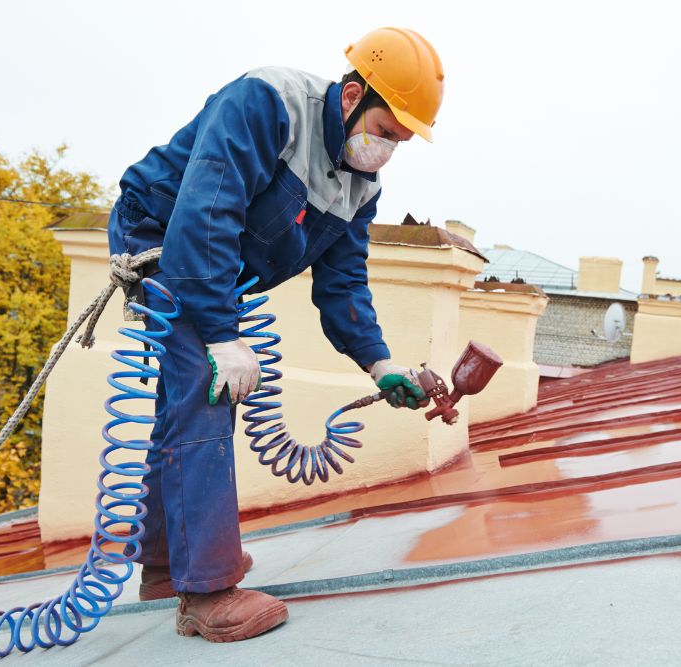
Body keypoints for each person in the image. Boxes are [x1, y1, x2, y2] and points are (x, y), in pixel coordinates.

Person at [105, 27, 443, 643]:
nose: (387, 149)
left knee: (189, 390)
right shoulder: (267, 103)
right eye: (385, 131)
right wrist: (221, 335)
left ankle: (163, 566)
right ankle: (206, 593)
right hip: (163, 234)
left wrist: (379, 364)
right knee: (208, 388)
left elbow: (343, 286)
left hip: (215, 256)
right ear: (349, 97)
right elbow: (205, 213)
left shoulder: (359, 187)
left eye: (399, 141)